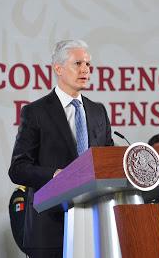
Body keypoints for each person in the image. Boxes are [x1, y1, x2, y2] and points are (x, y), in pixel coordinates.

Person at [8, 39, 113, 258]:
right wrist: (55, 175)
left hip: (96, 226)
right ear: (58, 68)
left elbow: (108, 161)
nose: (85, 69)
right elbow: (18, 168)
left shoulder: (98, 111)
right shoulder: (36, 112)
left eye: (88, 64)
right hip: (50, 228)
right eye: (78, 64)